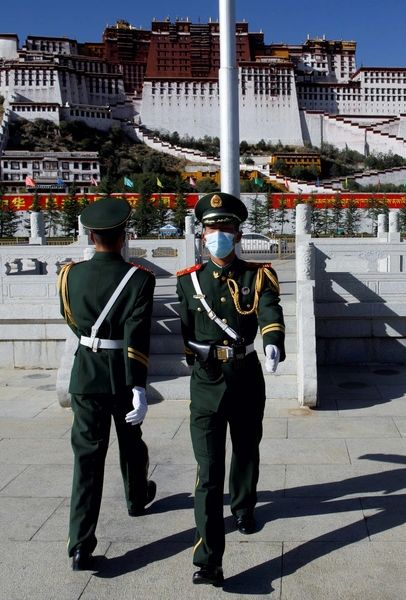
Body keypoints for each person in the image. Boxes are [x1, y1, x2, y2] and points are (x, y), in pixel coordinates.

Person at [176, 192, 286, 587]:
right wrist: (194, 360)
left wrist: (273, 338)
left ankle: (243, 505)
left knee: (245, 448)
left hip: (245, 375)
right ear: (202, 234)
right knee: (207, 472)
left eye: (225, 228)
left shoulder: (257, 275)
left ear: (238, 233)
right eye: (211, 228)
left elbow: (270, 308)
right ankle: (209, 560)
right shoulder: (188, 282)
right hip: (206, 382)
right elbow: (186, 330)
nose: (217, 234)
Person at [58, 197, 157, 572]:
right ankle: (136, 498)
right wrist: (139, 386)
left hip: (85, 373)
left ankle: (80, 544)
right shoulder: (140, 279)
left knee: (87, 458)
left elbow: (71, 320)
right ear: (125, 235)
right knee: (131, 441)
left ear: (89, 234)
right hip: (122, 373)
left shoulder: (69, 275)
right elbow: (137, 336)